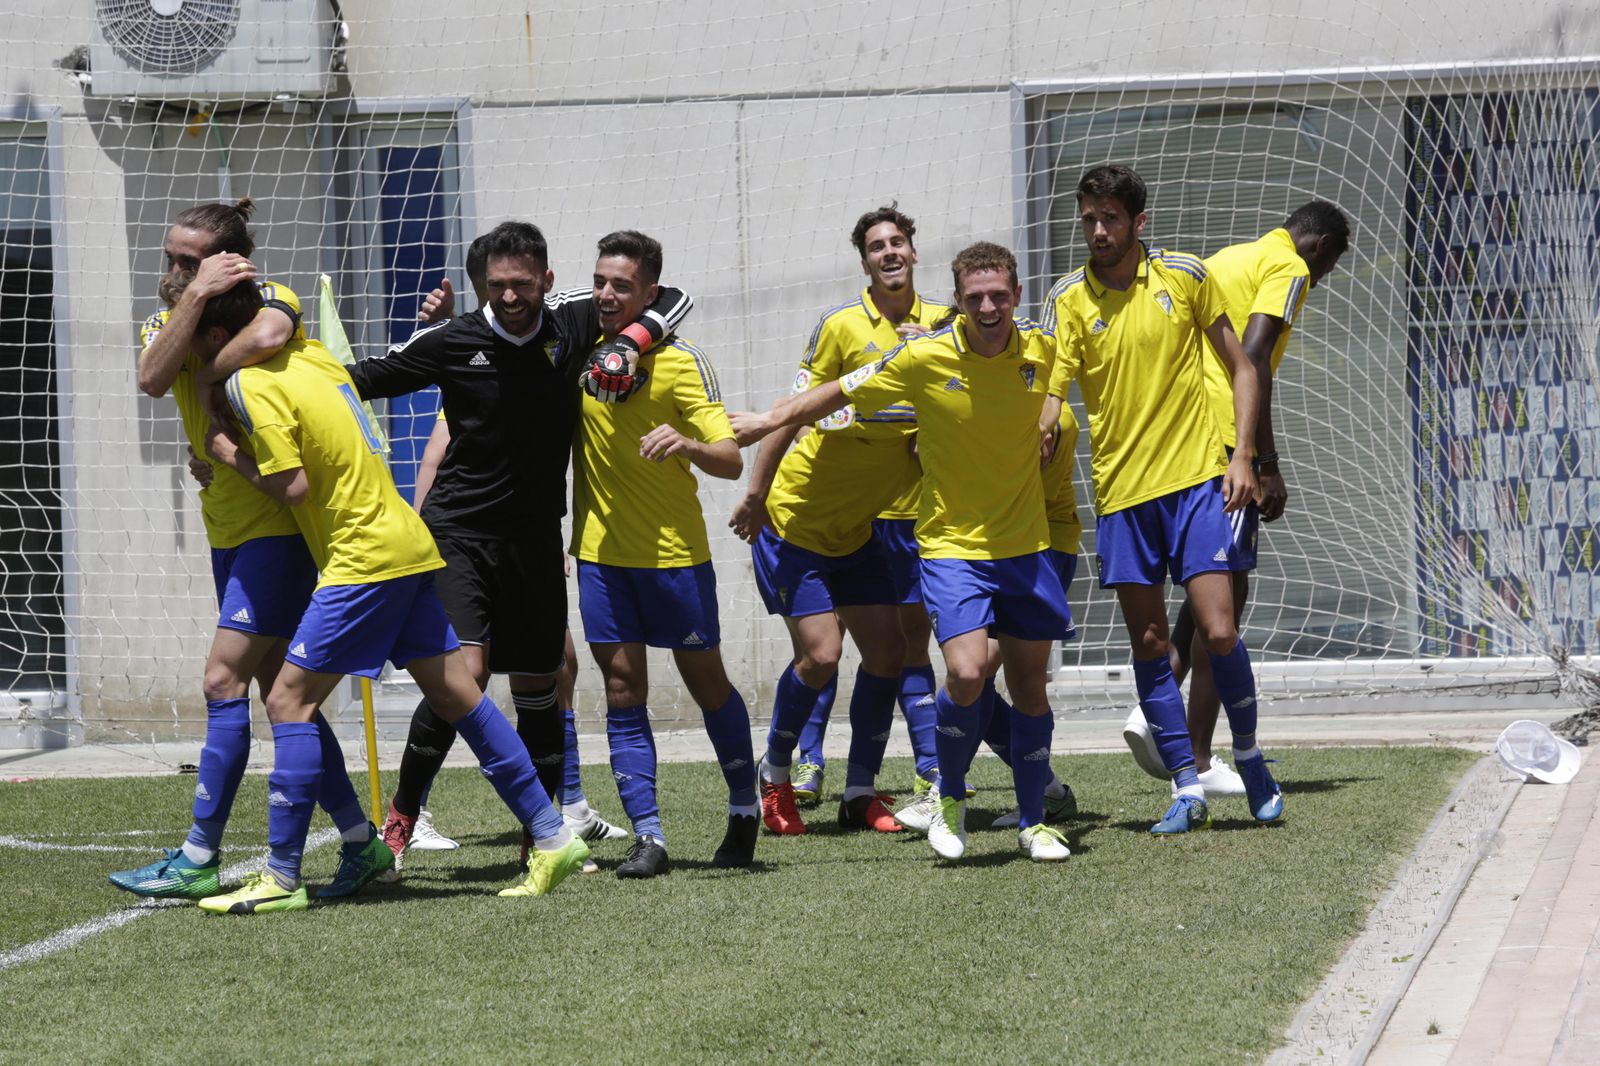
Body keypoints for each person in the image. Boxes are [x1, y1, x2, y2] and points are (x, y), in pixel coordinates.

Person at [191, 278, 589, 913]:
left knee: (287, 700)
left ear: (219, 339)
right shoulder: (315, 355)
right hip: (407, 539)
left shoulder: (250, 384)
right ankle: (551, 834)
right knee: (460, 692)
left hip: (363, 558)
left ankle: (282, 877)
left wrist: (225, 451)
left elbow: (291, 488)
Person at [337, 221, 691, 874]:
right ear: (482, 289)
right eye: (496, 286)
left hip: (535, 541)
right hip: (458, 536)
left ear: (547, 282)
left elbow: (673, 298)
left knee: (540, 684)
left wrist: (633, 345)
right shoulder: (453, 343)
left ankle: (541, 834)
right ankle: (402, 818)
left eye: (521, 284)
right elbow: (357, 380)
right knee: (463, 676)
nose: (509, 297)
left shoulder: (575, 325)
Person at [735, 242, 1073, 864]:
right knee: (966, 672)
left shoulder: (1041, 348)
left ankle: (1034, 822)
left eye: (999, 294)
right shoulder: (921, 356)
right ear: (961, 300)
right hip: (949, 549)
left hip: (1026, 547)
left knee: (1030, 688)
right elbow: (837, 390)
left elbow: (1070, 374)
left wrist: (1049, 420)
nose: (988, 307)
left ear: (1017, 295)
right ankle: (945, 801)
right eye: (975, 298)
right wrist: (764, 421)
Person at [109, 200, 382, 902]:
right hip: (226, 532)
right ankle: (359, 841)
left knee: (221, 682)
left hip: (279, 532)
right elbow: (148, 375)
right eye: (171, 258)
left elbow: (273, 326)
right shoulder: (164, 322)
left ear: (230, 262)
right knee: (277, 696)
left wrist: (207, 367)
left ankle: (200, 854)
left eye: (190, 262)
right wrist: (193, 310)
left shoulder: (270, 296)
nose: (174, 272)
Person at [1041, 164, 1284, 835]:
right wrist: (1042, 416)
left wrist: (1244, 458)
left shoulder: (1186, 275)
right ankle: (1185, 787)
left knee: (1219, 630)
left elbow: (1242, 367)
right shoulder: (1068, 303)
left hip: (1200, 483)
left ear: (1137, 223)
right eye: (1089, 217)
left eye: (1111, 218)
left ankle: (1250, 755)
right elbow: (1052, 394)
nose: (1098, 229)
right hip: (1123, 499)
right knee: (1150, 645)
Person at [728, 204, 944, 837]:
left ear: (912, 250)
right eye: (876, 246)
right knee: (822, 657)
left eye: (897, 241)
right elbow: (792, 411)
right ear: (865, 262)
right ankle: (775, 775)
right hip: (795, 524)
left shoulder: (941, 325)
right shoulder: (842, 326)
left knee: (888, 652)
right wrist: (757, 492)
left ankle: (859, 792)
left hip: (860, 531)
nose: (889, 253)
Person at [1122, 202, 1351, 796]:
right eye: (1327, 269)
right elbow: (1252, 357)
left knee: (1211, 591)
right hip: (1227, 442)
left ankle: (1163, 715)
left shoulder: (1228, 258)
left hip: (1181, 437)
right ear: (1320, 245)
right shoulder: (1289, 267)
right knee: (1228, 598)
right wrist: (1263, 461)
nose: (1318, 283)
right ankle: (1190, 749)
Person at [571, 230, 759, 876]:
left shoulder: (683, 362)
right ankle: (648, 836)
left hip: (675, 556)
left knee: (706, 684)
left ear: (650, 293)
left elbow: (731, 462)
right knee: (622, 689)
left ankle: (743, 808)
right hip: (599, 555)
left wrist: (686, 444)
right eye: (599, 280)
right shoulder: (580, 350)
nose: (605, 294)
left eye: (621, 285)